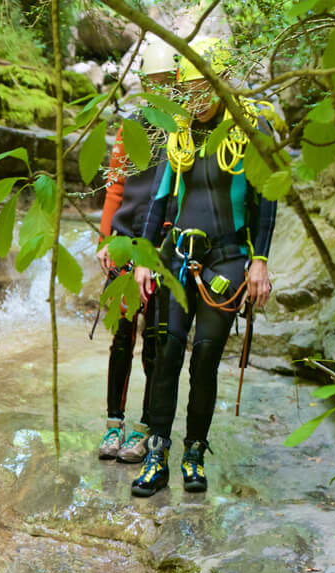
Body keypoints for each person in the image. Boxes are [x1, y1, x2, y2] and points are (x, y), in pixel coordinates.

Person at [131, 37, 275, 497]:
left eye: (202, 86)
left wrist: (260, 262)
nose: (194, 97)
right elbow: (158, 200)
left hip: (227, 261)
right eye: (187, 88)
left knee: (206, 360)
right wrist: (143, 258)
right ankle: (158, 452)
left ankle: (194, 451)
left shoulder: (250, 130)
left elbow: (266, 201)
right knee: (167, 354)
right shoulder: (178, 133)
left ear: (221, 82)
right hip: (176, 257)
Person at [94, 36, 178, 465]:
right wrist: (106, 239)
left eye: (167, 80)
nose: (160, 87)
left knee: (156, 344)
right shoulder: (132, 127)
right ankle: (114, 422)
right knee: (122, 338)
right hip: (125, 242)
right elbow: (116, 187)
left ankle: (146, 427)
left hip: (163, 248)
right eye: (154, 81)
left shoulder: (183, 131)